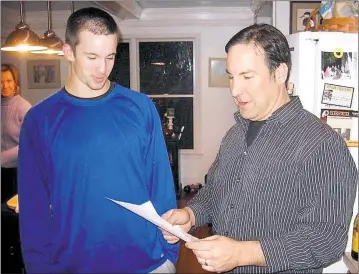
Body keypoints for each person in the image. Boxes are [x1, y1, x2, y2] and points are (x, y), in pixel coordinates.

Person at [162, 23, 357, 273]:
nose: (234, 89)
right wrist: (191, 214)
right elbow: (216, 192)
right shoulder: (236, 132)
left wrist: (243, 253)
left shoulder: (322, 145)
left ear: (280, 73)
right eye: (231, 76)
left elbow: (326, 240)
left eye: (247, 76)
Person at [18, 7, 178, 273]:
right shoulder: (39, 120)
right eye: (92, 57)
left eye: (110, 57)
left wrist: (169, 254)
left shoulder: (140, 107)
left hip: (147, 264)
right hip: (72, 265)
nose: (102, 68)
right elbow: (33, 210)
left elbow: (160, 184)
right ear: (68, 51)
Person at [1, 64, 31, 203]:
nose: (5, 85)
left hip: (18, 172)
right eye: (1, 81)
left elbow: (30, 143)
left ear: (15, 82)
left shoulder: (23, 107)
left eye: (8, 81)